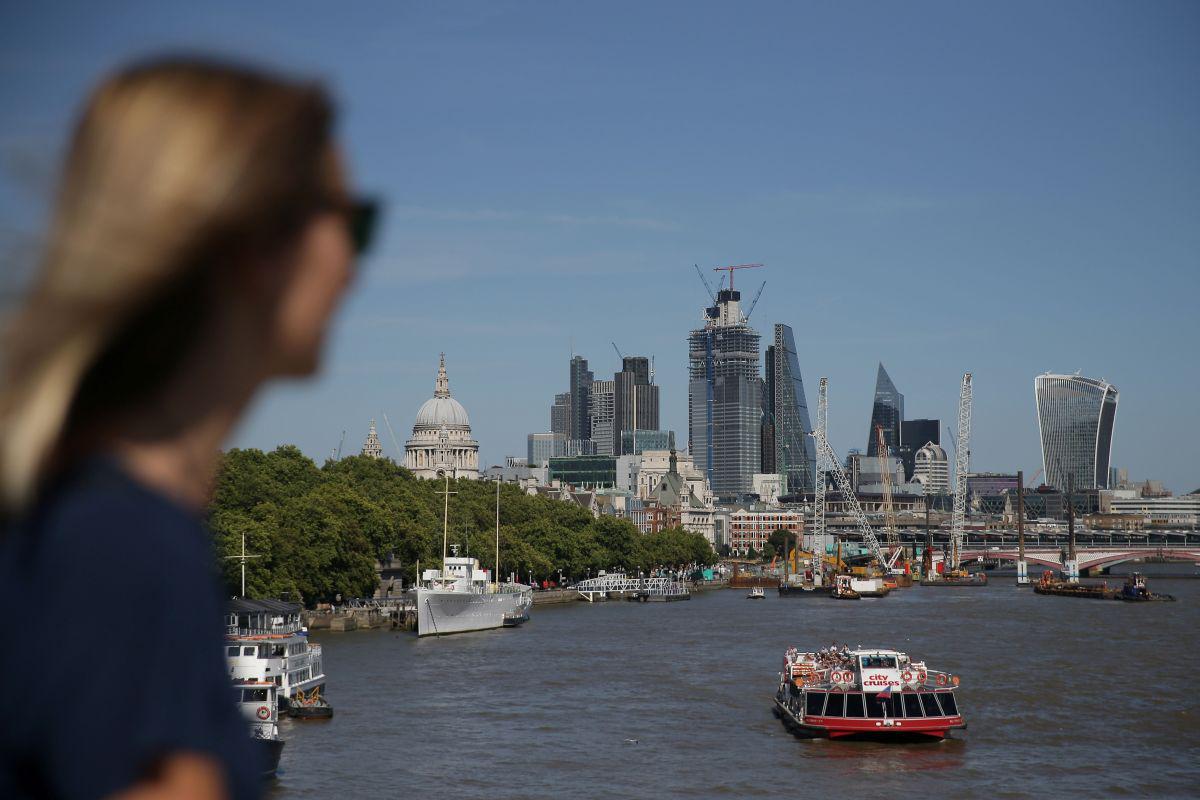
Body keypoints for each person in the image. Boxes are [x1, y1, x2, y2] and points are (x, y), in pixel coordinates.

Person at [0, 57, 374, 800]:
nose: (356, 268)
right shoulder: (128, 550)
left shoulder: (70, 510)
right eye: (355, 223)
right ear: (257, 249)